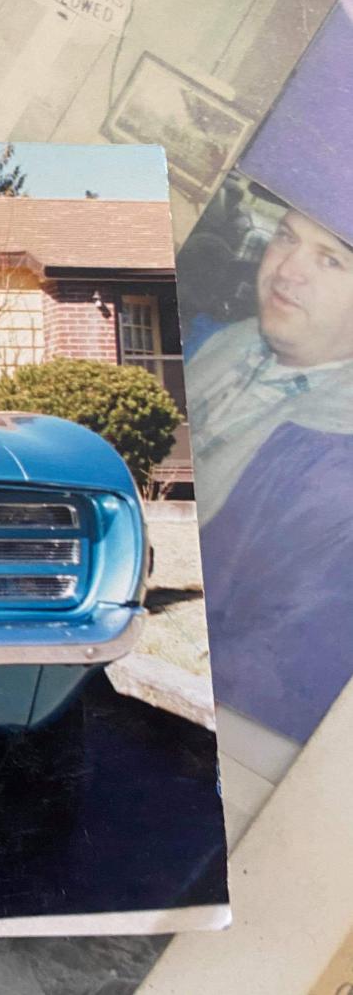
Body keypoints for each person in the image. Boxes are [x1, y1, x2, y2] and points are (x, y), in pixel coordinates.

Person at [186, 207, 353, 740]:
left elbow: (271, 675)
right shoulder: (215, 341)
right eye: (285, 237)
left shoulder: (338, 467)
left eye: (330, 260)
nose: (286, 270)